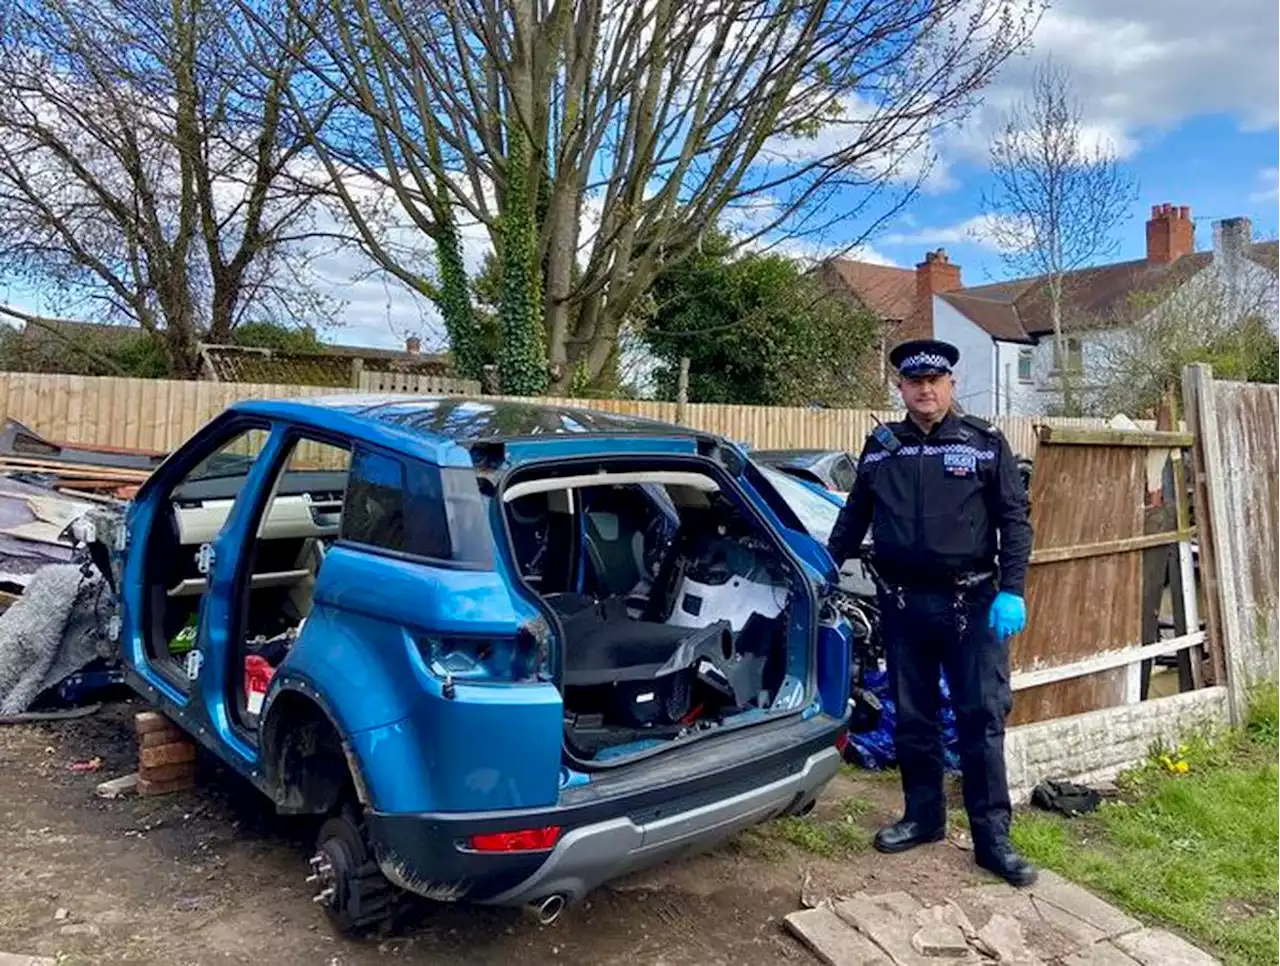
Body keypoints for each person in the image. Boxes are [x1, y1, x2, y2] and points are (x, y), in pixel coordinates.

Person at [826, 337, 1036, 887]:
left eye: (934, 381)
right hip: (901, 604)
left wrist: (1012, 589)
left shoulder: (984, 443)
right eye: (914, 381)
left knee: (980, 721)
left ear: (950, 385)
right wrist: (823, 567)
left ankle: (993, 840)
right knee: (914, 719)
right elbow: (853, 517)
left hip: (972, 605)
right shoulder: (882, 446)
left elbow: (1015, 521)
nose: (925, 389)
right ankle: (923, 818)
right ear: (900, 387)